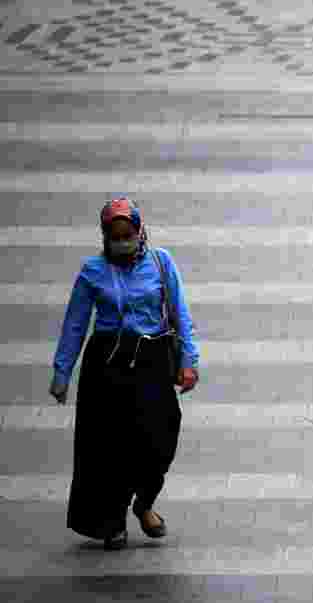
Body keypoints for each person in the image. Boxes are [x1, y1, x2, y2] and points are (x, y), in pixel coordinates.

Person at [50, 197, 199, 549]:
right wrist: (62, 372)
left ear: (139, 230)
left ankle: (144, 502)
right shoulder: (92, 272)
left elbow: (180, 314)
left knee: (160, 439)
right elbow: (75, 324)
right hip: (107, 363)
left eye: (127, 234)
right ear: (105, 237)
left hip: (153, 359)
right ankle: (112, 521)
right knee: (109, 448)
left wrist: (189, 360)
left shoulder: (161, 263)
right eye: (115, 236)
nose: (122, 241)